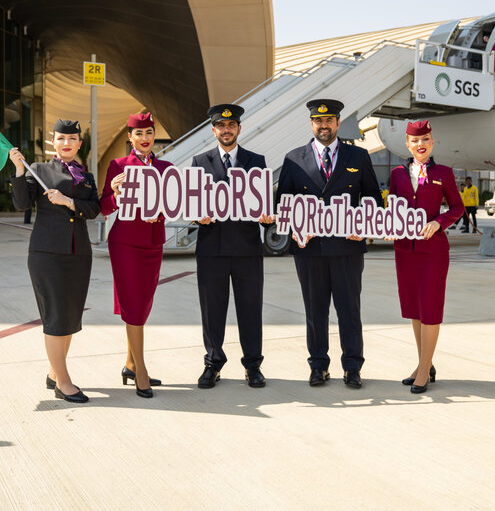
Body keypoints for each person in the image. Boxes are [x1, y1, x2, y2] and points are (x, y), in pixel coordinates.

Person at [275, 99, 383, 388]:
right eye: (318, 121)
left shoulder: (357, 156)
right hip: (309, 249)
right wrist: (296, 228)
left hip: (347, 246)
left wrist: (365, 223)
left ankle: (352, 366)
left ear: (337, 123)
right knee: (315, 310)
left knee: (349, 309)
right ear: (312, 124)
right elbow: (282, 202)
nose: (324, 125)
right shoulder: (294, 158)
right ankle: (318, 365)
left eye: (329, 120)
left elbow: (373, 196)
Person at [9, 119, 101, 403]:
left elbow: (94, 209)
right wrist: (19, 170)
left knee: (71, 316)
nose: (67, 144)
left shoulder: (86, 176)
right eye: (61, 139)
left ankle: (53, 371)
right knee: (55, 316)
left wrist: (68, 201)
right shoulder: (39, 170)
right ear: (53, 142)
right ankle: (63, 382)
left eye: (72, 139)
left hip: (78, 253)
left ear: (79, 144)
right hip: (47, 253)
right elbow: (22, 203)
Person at [191, 104, 274, 389]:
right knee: (212, 311)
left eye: (231, 125)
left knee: (250, 310)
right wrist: (197, 216)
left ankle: (253, 366)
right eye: (221, 126)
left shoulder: (256, 161)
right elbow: (193, 203)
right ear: (213, 130)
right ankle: (212, 363)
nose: (226, 130)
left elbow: (265, 206)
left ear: (239, 128)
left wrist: (267, 219)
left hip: (247, 250)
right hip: (211, 250)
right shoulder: (200, 161)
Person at [388, 120, 465, 393]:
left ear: (432, 142)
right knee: (414, 308)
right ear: (407, 144)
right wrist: (389, 227)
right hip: (404, 250)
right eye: (415, 141)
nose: (421, 145)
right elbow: (392, 206)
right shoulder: (397, 173)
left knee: (430, 308)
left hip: (432, 251)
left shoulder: (443, 172)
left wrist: (440, 222)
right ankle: (425, 363)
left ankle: (423, 370)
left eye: (426, 139)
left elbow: (458, 206)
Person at [99, 112, 172, 399]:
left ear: (154, 136)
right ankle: (140, 370)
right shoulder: (118, 165)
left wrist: (162, 213)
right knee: (133, 304)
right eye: (139, 133)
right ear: (129, 137)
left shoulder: (166, 167)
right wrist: (115, 194)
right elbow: (104, 207)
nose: (144, 139)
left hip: (154, 243)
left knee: (143, 302)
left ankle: (129, 364)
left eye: (149, 133)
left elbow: (174, 204)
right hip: (126, 243)